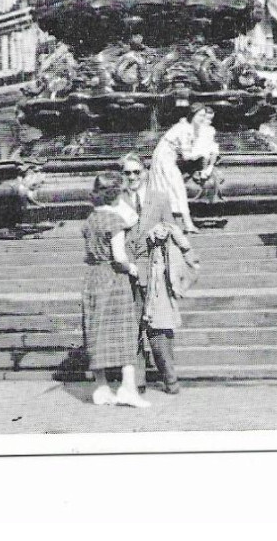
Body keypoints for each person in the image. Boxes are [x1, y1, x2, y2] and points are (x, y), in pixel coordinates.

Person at [117, 152, 195, 395]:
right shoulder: (115, 200)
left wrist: (162, 230)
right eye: (127, 173)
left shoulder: (159, 198)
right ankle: (136, 383)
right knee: (130, 327)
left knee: (159, 327)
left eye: (136, 172)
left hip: (154, 270)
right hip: (125, 271)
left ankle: (170, 379)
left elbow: (172, 227)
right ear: (122, 176)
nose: (132, 177)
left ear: (145, 173)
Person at [81, 171, 151, 408]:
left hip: (93, 277)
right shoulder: (114, 221)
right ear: (115, 195)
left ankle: (101, 388)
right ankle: (127, 389)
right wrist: (132, 268)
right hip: (113, 277)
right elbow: (119, 257)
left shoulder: (90, 220)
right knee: (124, 332)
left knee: (96, 330)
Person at [144, 106, 217, 233]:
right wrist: (203, 154)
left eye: (203, 116)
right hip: (164, 159)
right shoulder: (184, 129)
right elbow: (187, 155)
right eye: (200, 116)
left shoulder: (187, 127)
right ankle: (182, 224)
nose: (202, 119)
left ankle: (180, 224)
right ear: (192, 115)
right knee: (175, 188)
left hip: (166, 158)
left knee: (171, 189)